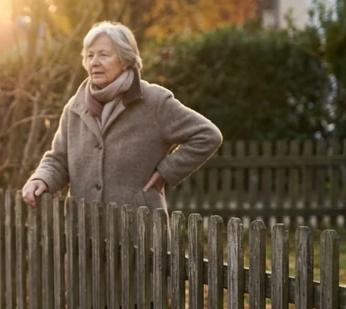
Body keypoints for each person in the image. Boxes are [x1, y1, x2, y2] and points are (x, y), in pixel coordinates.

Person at [22, 21, 222, 211]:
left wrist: (166, 172)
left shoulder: (153, 101)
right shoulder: (74, 107)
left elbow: (207, 135)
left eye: (103, 55)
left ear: (126, 60)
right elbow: (58, 159)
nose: (95, 62)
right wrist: (41, 179)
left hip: (138, 234)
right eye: (90, 55)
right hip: (83, 235)